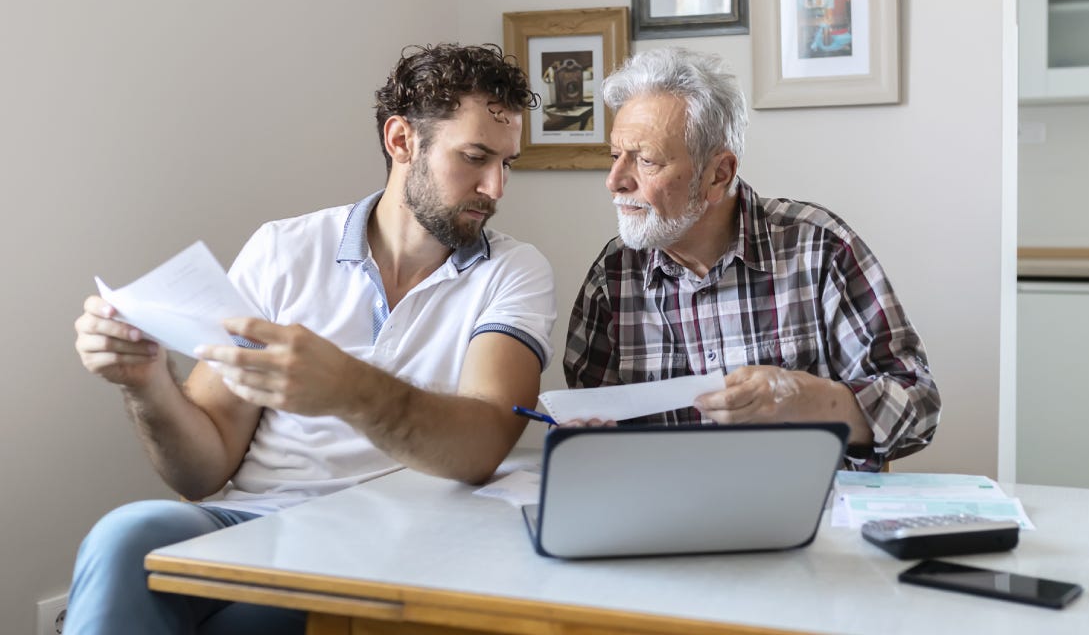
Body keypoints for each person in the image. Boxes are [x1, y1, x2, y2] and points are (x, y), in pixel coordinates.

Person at [68, 43, 555, 634]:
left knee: (244, 624)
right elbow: (201, 471)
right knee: (126, 535)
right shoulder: (283, 250)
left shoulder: (513, 271)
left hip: (393, 542)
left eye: (508, 163)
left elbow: (481, 446)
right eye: (476, 157)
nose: (496, 187)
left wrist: (349, 389)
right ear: (401, 140)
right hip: (254, 524)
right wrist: (147, 383)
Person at [563, 46, 939, 469]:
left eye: (646, 160)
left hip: (811, 519)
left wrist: (809, 399)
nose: (614, 181)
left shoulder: (818, 248)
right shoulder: (612, 277)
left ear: (718, 174)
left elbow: (920, 405)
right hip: (665, 523)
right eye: (616, 156)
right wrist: (589, 442)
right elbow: (588, 429)